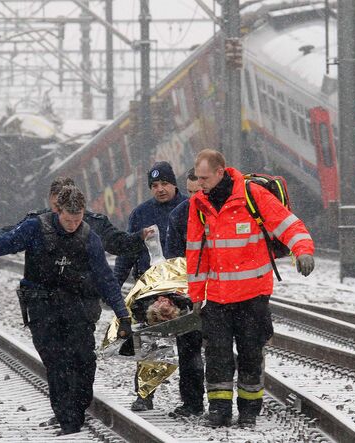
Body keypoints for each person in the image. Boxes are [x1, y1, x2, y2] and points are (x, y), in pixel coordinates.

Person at [0, 185, 133, 436]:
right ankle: (68, 421)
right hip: (42, 306)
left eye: (77, 220)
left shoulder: (89, 237)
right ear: (58, 211)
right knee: (57, 363)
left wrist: (123, 314)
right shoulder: (35, 228)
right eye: (68, 220)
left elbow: (105, 278)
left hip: (76, 307)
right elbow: (2, 244)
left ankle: (77, 411)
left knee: (83, 360)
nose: (72, 225)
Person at [187, 149, 315, 428]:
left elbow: (288, 224)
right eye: (198, 178)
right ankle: (219, 410)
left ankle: (248, 412)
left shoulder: (251, 195)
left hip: (252, 297)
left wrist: (303, 250)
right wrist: (196, 296)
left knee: (250, 355)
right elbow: (197, 254)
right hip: (218, 299)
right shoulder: (198, 204)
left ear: (221, 172)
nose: (200, 183)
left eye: (205, 178)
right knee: (217, 357)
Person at [113, 161, 187, 412]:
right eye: (154, 186)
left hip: (184, 288)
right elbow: (127, 252)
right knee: (151, 345)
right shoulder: (141, 214)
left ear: (174, 183)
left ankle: (192, 401)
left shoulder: (189, 208)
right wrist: (115, 285)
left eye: (164, 183)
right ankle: (145, 396)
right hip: (151, 289)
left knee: (189, 347)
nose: (160, 189)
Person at [0, 176, 150, 257]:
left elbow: (118, 243)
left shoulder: (92, 223)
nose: (61, 205)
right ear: (50, 198)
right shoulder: (36, 221)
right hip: (44, 304)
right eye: (58, 199)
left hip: (79, 303)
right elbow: (13, 236)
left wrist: (140, 237)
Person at [161, 168, 205, 417]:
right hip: (189, 290)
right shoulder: (180, 216)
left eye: (198, 192)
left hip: (223, 290)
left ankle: (227, 405)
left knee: (222, 351)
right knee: (189, 350)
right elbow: (173, 259)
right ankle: (192, 403)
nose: (194, 198)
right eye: (189, 193)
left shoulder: (224, 211)